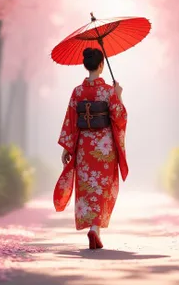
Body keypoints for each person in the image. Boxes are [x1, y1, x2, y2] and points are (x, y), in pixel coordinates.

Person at [53, 47, 128, 249]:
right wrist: (118, 95)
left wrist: (67, 148)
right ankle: (95, 228)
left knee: (87, 188)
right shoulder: (108, 91)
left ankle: (93, 228)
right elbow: (120, 117)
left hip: (85, 146)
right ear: (101, 65)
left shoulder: (77, 91)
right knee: (103, 187)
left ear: (86, 65)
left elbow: (70, 120)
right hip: (105, 147)